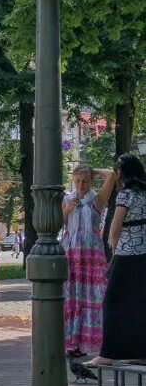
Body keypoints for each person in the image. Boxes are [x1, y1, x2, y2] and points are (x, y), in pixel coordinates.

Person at [86, 154, 146, 368]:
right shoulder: (144, 193)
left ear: (123, 173)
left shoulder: (126, 195)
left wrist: (113, 247)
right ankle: (142, 353)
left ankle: (107, 354)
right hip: (144, 254)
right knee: (139, 303)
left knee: (110, 302)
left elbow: (115, 226)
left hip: (127, 254)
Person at [61, 164, 116, 357]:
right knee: (72, 296)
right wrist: (66, 210)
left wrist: (93, 169)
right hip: (72, 252)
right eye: (77, 181)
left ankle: (93, 342)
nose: (81, 184)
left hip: (92, 253)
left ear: (91, 180)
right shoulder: (67, 198)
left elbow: (111, 175)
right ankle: (72, 344)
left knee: (94, 296)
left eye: (85, 180)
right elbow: (58, 222)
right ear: (73, 180)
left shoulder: (96, 199)